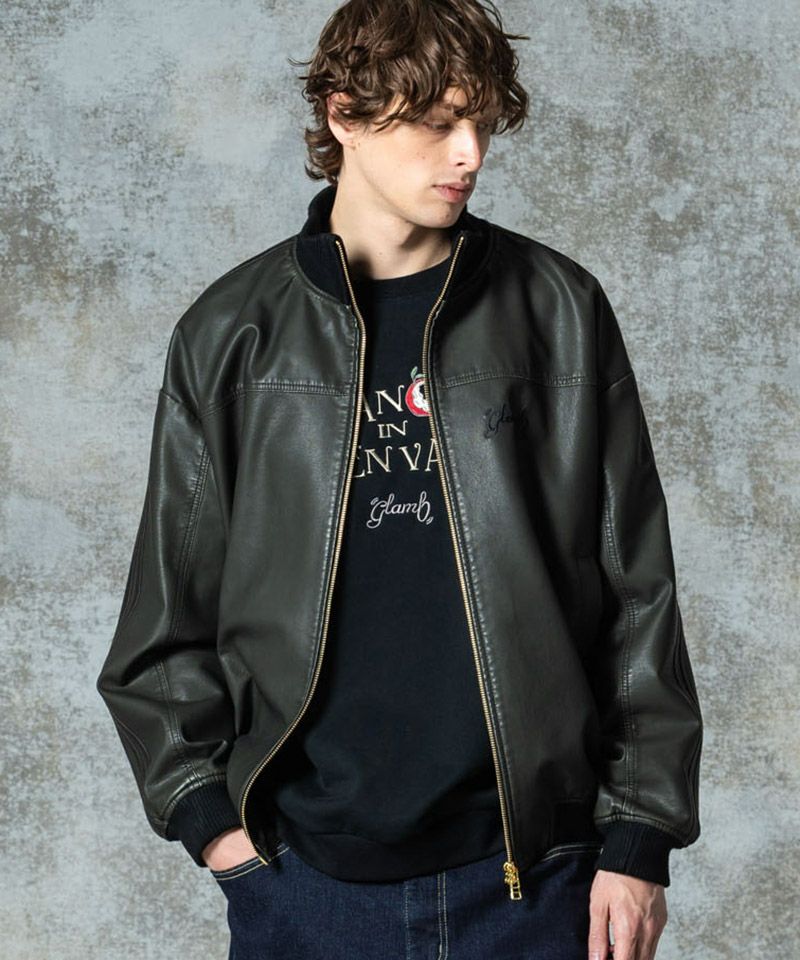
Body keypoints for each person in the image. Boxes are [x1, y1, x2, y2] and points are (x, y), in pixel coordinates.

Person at [95, 1, 703, 958]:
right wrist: (215, 828)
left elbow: (638, 595)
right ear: (344, 113)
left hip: (540, 878)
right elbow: (165, 624)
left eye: (481, 123)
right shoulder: (231, 335)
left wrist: (639, 840)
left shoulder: (559, 312)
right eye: (437, 122)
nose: (469, 154)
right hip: (307, 886)